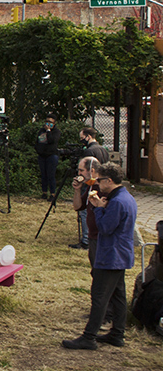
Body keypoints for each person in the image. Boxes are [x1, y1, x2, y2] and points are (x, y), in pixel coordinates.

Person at [63, 163, 138, 350]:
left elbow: (105, 227)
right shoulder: (126, 197)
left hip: (111, 255)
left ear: (109, 181)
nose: (97, 183)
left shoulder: (118, 202)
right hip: (121, 254)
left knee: (100, 296)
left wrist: (98, 207)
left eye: (100, 180)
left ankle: (89, 337)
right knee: (118, 295)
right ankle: (117, 334)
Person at [70, 156, 101, 251]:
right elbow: (77, 207)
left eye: (81, 170)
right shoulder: (90, 186)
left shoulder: (102, 187)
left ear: (91, 171)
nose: (79, 174)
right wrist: (77, 190)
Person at [34, 115, 60, 200]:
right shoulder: (41, 131)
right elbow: (38, 141)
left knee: (51, 175)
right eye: (47, 122)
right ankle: (44, 192)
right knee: (43, 175)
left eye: (51, 122)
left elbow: (52, 140)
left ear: (54, 123)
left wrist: (48, 131)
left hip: (51, 156)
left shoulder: (56, 132)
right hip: (42, 156)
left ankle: (52, 194)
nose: (48, 124)